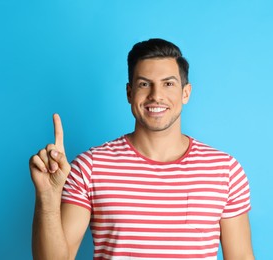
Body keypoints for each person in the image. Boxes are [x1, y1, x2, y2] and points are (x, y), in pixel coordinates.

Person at [30, 38, 254, 260]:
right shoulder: (90, 167)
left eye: (168, 83)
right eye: (144, 84)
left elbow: (241, 256)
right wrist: (48, 198)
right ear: (129, 93)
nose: (156, 95)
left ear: (186, 93)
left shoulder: (225, 170)